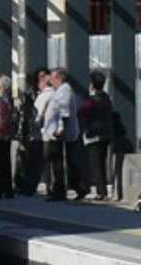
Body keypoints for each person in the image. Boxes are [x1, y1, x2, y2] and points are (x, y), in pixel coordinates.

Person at [41, 68, 80, 200]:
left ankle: (60, 189)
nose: (50, 81)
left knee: (58, 163)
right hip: (53, 132)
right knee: (56, 162)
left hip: (58, 134)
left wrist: (60, 129)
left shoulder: (64, 91)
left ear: (60, 78)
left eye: (53, 78)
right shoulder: (59, 91)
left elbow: (64, 112)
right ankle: (61, 188)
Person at [80, 70, 114, 200]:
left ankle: (101, 192)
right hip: (105, 134)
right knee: (102, 163)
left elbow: (82, 111)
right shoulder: (106, 98)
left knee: (96, 164)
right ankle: (103, 190)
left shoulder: (93, 101)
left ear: (92, 85)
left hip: (94, 135)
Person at [13, 70, 44, 195]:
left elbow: (24, 116)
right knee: (29, 162)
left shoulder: (30, 96)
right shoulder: (31, 96)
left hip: (30, 133)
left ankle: (26, 185)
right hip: (30, 133)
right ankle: (26, 185)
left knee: (29, 161)